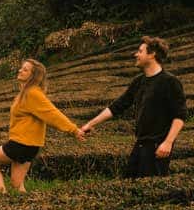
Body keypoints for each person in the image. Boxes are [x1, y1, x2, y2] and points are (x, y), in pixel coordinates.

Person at [80, 36, 187, 178]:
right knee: (129, 181)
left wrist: (168, 143)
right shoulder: (139, 81)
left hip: (158, 146)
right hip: (141, 144)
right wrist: (90, 124)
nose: (136, 54)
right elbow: (118, 106)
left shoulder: (170, 82)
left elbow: (179, 116)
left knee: (151, 188)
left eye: (140, 51)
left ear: (152, 54)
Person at [0, 58, 85, 194]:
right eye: (21, 68)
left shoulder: (33, 94)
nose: (20, 70)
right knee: (17, 184)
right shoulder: (26, 93)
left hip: (21, 144)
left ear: (33, 76)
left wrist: (73, 129)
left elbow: (52, 114)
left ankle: (3, 195)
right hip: (30, 146)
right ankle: (24, 205)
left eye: (25, 70)